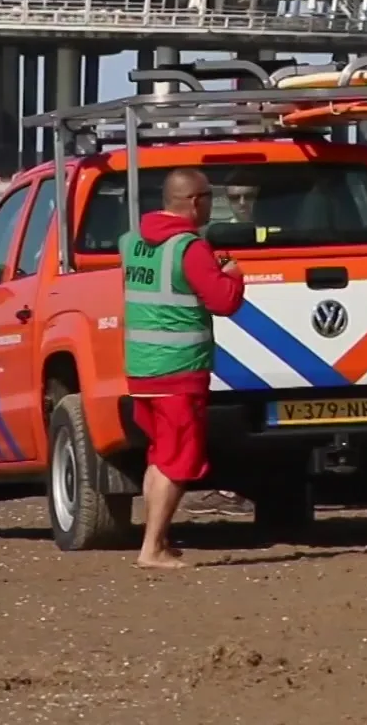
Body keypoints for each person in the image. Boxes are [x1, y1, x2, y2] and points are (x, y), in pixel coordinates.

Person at [120, 168, 244, 570]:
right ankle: (151, 548)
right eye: (210, 197)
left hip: (142, 369)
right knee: (178, 461)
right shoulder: (190, 248)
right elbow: (224, 302)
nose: (212, 205)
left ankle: (157, 541)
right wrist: (233, 276)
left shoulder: (132, 242)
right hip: (178, 370)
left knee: (160, 457)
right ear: (194, 201)